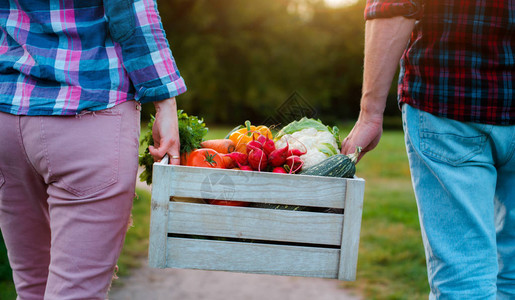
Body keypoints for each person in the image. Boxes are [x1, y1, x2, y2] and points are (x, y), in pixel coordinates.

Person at [0, 0, 185, 299]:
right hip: (90, 107)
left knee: (31, 289)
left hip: (6, 114)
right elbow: (129, 9)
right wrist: (164, 99)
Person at [341, 0, 514, 299]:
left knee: (464, 283)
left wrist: (370, 113)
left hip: (451, 100)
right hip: (454, 108)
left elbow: (393, 6)